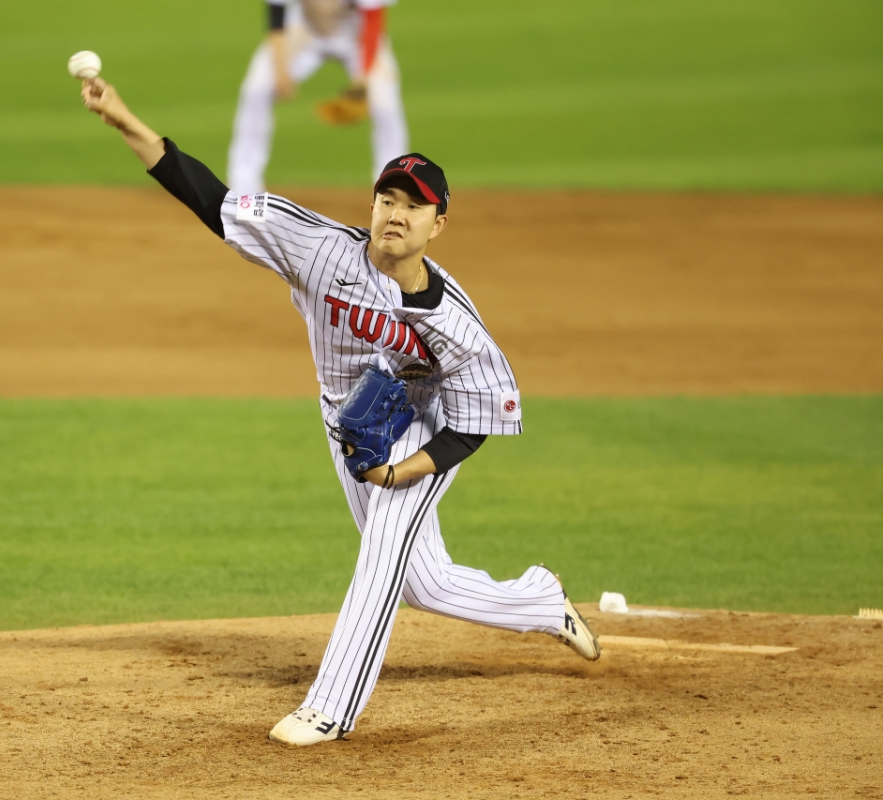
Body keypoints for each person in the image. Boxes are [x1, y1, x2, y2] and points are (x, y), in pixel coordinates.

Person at [80, 76, 601, 746]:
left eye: (415, 206)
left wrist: (406, 469)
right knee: (425, 584)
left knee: (384, 547)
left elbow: (474, 421)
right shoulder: (319, 248)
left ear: (436, 225)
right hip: (347, 424)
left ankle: (333, 705)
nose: (397, 212)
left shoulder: (457, 326)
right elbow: (210, 200)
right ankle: (538, 600)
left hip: (426, 424)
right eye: (388, 197)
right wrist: (127, 121)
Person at [227, 0, 408, 195]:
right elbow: (276, 15)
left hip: (356, 35)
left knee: (385, 104)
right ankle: (243, 185)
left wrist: (362, 80)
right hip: (306, 30)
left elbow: (373, 21)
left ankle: (392, 185)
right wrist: (280, 70)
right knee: (257, 89)